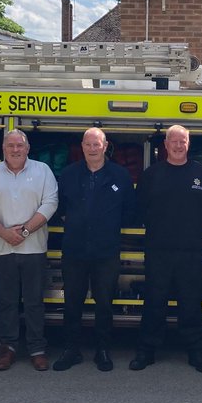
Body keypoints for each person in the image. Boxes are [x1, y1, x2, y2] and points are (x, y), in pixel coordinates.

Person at [131, 125, 202, 373]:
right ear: (166, 144)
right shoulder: (151, 175)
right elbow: (141, 209)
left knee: (191, 302)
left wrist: (191, 234)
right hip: (158, 250)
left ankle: (196, 352)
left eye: (183, 141)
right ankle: (146, 351)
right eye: (174, 141)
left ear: (188, 144)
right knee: (154, 301)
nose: (179, 146)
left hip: (191, 251)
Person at [53, 127, 135, 372]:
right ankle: (71, 350)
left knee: (104, 304)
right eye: (88, 144)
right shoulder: (68, 174)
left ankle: (103, 350)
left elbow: (129, 210)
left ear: (105, 146)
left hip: (106, 251)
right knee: (72, 303)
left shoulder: (120, 175)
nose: (92, 149)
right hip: (75, 250)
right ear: (82, 146)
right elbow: (59, 207)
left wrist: (107, 225)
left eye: (96, 144)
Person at [0, 129, 58, 371]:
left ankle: (37, 349)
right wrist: (3, 232)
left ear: (27, 148)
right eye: (10, 145)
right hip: (2, 249)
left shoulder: (43, 171)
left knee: (34, 302)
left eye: (19, 145)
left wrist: (24, 231)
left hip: (34, 248)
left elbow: (50, 203)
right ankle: (8, 349)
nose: (15, 149)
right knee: (6, 302)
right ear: (3, 148)